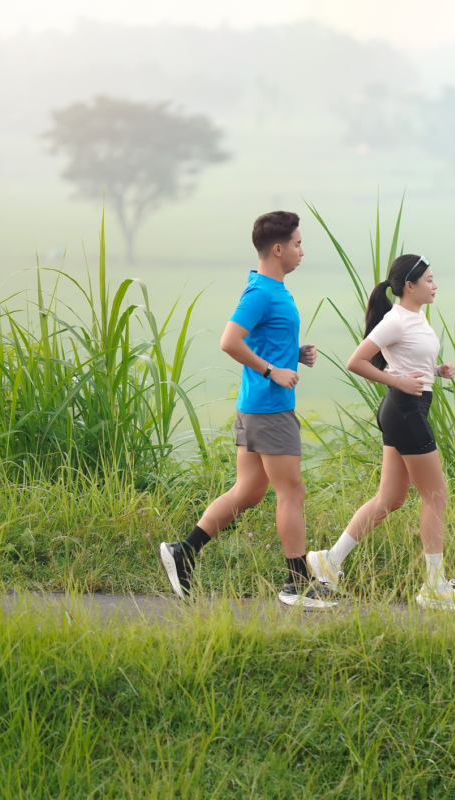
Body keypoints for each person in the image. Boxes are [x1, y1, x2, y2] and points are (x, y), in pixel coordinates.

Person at [159, 211, 336, 610]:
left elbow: (261, 339)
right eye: (297, 244)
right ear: (278, 249)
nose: (302, 252)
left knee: (249, 491)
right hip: (270, 408)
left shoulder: (270, 288)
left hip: (257, 405)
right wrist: (273, 370)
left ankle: (183, 552)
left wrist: (293, 354)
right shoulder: (261, 293)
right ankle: (297, 585)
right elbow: (229, 341)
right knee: (292, 491)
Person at [307, 254, 455, 611]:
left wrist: (437, 370)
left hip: (404, 410)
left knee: (391, 499)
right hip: (404, 411)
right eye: (429, 280)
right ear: (410, 287)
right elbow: (357, 361)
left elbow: (410, 359)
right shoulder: (394, 320)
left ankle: (330, 561)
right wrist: (396, 380)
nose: (435, 285)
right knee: (436, 495)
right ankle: (434, 588)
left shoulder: (416, 316)